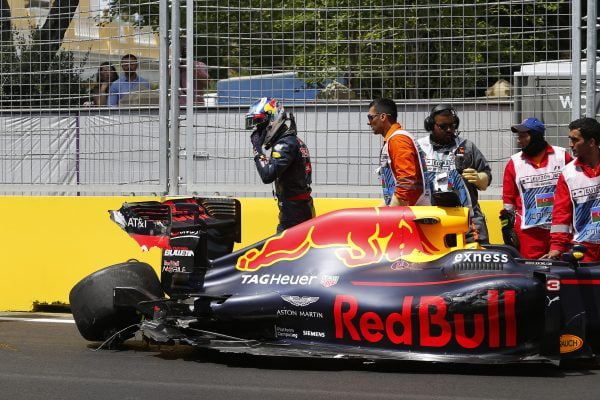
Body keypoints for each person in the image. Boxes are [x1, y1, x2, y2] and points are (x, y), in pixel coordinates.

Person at [417, 104, 491, 243]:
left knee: (477, 260)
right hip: (433, 220)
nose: (449, 130)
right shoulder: (419, 147)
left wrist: (480, 178)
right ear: (431, 125)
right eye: (443, 126)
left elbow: (486, 177)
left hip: (467, 218)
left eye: (453, 125)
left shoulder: (467, 146)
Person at [501, 117, 572, 258]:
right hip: (529, 233)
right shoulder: (514, 163)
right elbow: (508, 201)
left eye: (523, 136)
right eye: (518, 136)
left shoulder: (562, 156)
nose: (518, 140)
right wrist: (507, 227)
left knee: (563, 271)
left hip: (561, 229)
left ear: (536, 136)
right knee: (531, 272)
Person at [245, 97, 315, 233]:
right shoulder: (292, 140)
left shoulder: (285, 144)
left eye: (259, 122)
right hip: (298, 209)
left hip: (294, 213)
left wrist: (257, 150)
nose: (257, 129)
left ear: (273, 119)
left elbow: (267, 175)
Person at [543, 117, 600, 262]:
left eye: (575, 140)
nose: (570, 144)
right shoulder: (568, 173)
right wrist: (556, 247)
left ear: (591, 142)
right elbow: (561, 213)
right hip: (584, 249)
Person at [368, 98, 429, 207]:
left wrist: (393, 211)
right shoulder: (395, 138)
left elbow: (407, 179)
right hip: (410, 209)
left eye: (370, 117)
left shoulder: (398, 140)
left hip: (412, 213)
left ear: (383, 117)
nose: (369, 122)